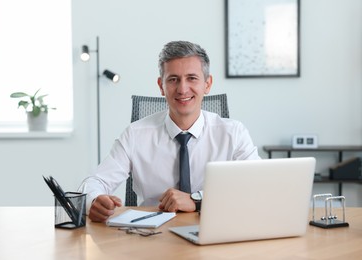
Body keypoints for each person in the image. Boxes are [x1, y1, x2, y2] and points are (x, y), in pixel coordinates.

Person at [85, 40, 261, 222]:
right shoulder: (135, 135)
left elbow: (259, 184)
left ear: (207, 84)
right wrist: (94, 201)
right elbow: (94, 182)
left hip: (218, 228)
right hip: (153, 236)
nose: (183, 89)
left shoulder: (233, 133)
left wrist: (197, 200)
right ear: (161, 86)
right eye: (173, 79)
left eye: (192, 78)